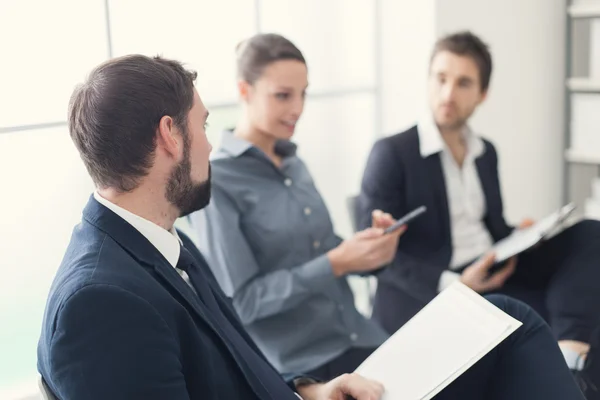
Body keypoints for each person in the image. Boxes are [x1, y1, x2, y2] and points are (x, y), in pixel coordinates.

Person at [182, 33, 586, 399]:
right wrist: (339, 262)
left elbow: (326, 251)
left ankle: (576, 365)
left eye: (304, 94)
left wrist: (370, 248)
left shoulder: (293, 164)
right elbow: (244, 302)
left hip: (362, 337)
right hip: (303, 364)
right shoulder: (221, 182)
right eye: (283, 96)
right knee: (509, 340)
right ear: (243, 91)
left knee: (513, 352)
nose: (299, 109)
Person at [36, 54, 384, 400]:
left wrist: (311, 392)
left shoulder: (169, 244)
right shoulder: (99, 304)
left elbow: (234, 364)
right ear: (169, 135)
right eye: (202, 126)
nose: (211, 144)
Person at [356, 30, 600, 397]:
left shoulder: (486, 152)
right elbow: (373, 260)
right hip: (437, 289)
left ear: (482, 94)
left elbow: (493, 227)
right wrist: (456, 282)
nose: (448, 94)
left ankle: (571, 346)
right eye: (440, 78)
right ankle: (574, 361)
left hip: (489, 270)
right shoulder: (392, 153)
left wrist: (526, 234)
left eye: (463, 82)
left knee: (590, 232)